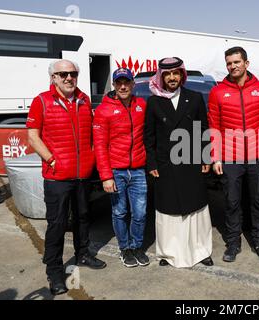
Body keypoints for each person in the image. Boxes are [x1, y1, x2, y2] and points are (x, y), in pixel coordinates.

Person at [27, 59, 106, 296]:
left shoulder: (84, 100)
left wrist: (92, 159)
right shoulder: (42, 101)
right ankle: (54, 271)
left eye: (73, 73)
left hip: (82, 174)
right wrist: (51, 159)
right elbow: (33, 136)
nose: (69, 78)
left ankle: (82, 254)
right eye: (63, 74)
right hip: (57, 176)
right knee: (58, 224)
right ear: (53, 78)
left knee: (82, 217)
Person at [208, 47, 259, 263]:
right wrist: (216, 157)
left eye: (237, 62)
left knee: (258, 200)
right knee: (231, 201)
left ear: (246, 63)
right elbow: (214, 127)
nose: (233, 66)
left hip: (257, 156)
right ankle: (233, 242)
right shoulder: (218, 92)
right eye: (229, 63)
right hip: (230, 157)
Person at [144, 57, 214, 268]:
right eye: (167, 74)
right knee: (168, 209)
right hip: (165, 165)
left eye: (176, 73)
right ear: (161, 76)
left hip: (191, 161)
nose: (172, 77)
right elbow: (149, 136)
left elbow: (203, 129)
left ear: (181, 75)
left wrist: (205, 157)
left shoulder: (194, 98)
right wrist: (152, 163)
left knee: (196, 208)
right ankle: (168, 252)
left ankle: (201, 251)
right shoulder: (154, 101)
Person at [93, 68, 149, 268]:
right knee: (119, 212)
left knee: (140, 213)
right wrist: (106, 176)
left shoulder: (141, 104)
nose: (123, 86)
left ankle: (137, 246)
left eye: (127, 82)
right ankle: (124, 249)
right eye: (119, 83)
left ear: (133, 84)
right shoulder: (103, 110)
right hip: (116, 171)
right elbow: (99, 146)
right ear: (114, 85)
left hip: (138, 170)